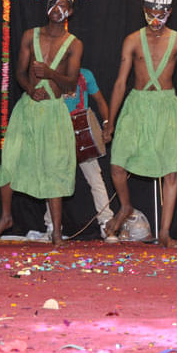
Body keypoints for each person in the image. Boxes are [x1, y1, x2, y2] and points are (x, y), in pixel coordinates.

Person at [0, 0, 84, 247]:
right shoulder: (30, 35)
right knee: (9, 162)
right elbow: (18, 73)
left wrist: (50, 73)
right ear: (47, 7)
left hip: (54, 112)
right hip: (27, 109)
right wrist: (30, 89)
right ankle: (5, 217)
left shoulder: (74, 44)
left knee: (53, 168)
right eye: (53, 3)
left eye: (63, 5)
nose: (57, 9)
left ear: (70, 12)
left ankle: (55, 232)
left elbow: (71, 83)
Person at [102, 0, 177, 248]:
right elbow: (120, 83)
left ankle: (166, 231)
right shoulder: (133, 40)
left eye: (162, 12)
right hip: (136, 105)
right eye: (151, 12)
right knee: (118, 163)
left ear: (169, 11)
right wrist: (110, 120)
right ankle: (125, 207)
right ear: (144, 9)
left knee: (170, 171)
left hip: (167, 107)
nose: (156, 18)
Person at [42, 68, 113, 239]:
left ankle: (106, 223)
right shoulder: (51, 74)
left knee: (95, 178)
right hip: (58, 131)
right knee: (53, 181)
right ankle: (52, 226)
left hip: (82, 132)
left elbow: (100, 101)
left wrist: (106, 124)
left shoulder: (86, 75)